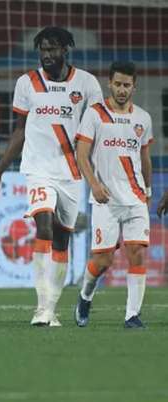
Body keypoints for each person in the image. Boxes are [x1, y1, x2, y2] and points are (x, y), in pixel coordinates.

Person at [0, 27, 103, 326]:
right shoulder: (27, 83)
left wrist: (100, 173)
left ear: (65, 50)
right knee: (44, 227)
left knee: (62, 240)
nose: (47, 54)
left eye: (52, 49)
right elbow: (20, 130)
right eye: (43, 49)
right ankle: (41, 308)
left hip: (71, 172)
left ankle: (52, 307)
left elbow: (98, 130)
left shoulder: (87, 83)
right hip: (37, 169)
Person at [74, 61, 153, 329]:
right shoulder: (94, 114)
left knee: (137, 253)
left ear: (134, 87)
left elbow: (145, 158)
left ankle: (132, 315)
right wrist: (94, 185)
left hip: (135, 198)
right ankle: (85, 296)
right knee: (103, 260)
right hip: (105, 199)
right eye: (117, 84)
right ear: (109, 83)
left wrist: (148, 191)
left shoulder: (143, 118)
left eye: (126, 85)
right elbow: (81, 154)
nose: (121, 89)